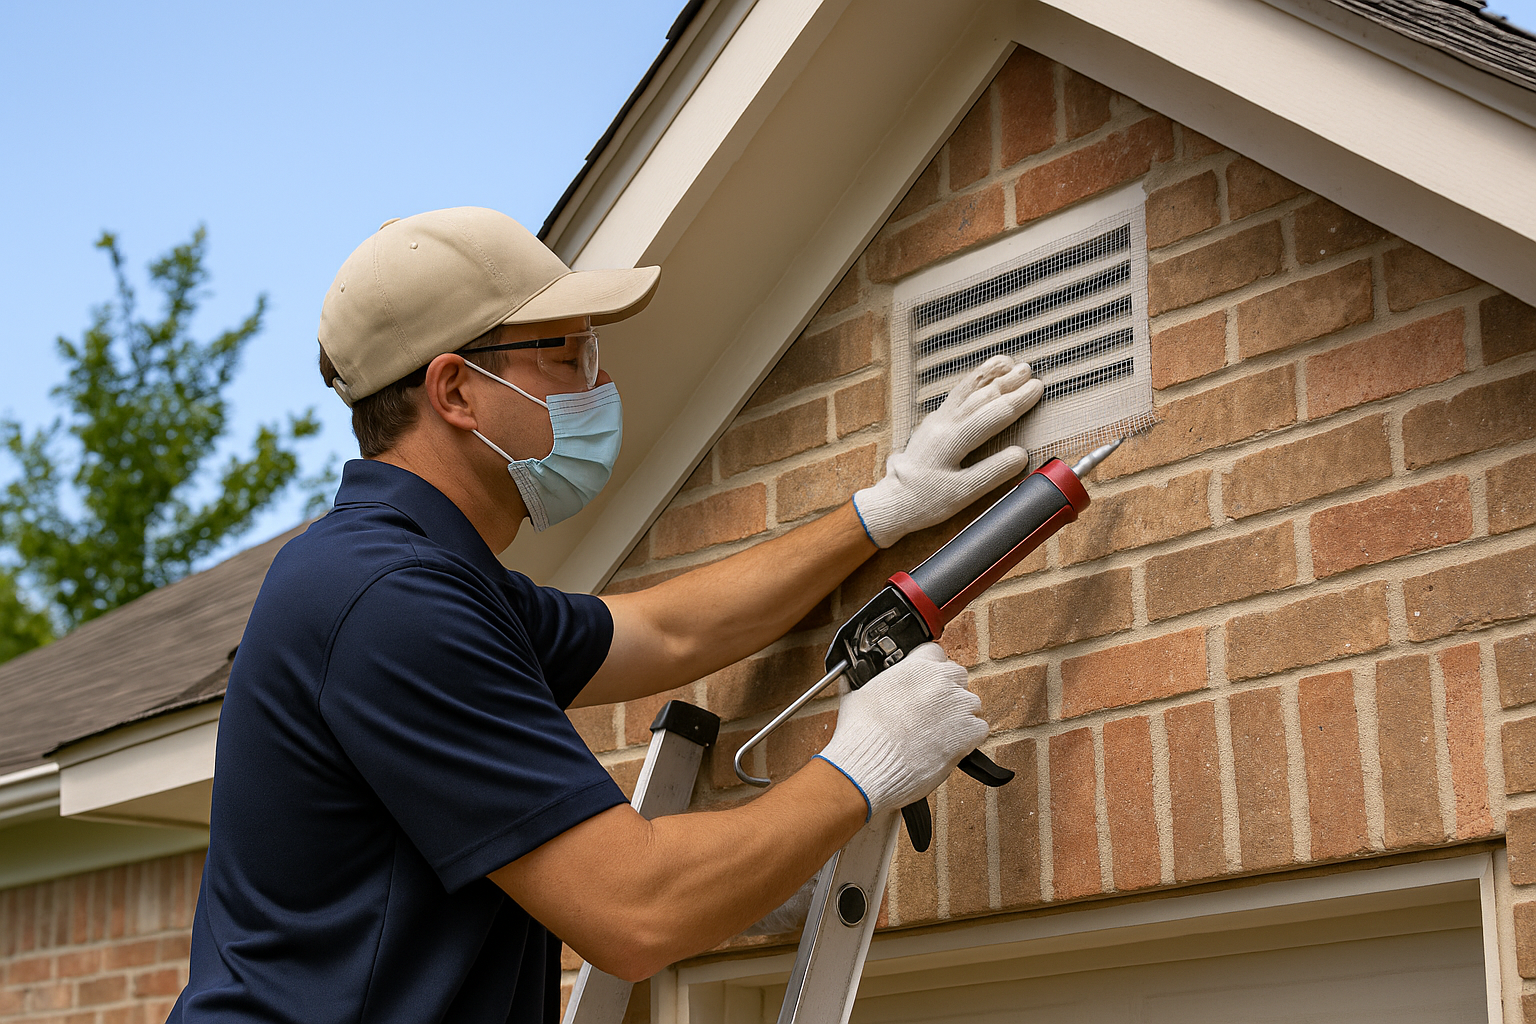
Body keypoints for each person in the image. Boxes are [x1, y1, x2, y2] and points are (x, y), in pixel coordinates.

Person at [170, 207, 1045, 1023]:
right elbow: (636, 909)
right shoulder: (389, 603)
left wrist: (884, 511)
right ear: (457, 391)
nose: (602, 384)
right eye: (568, 357)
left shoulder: (422, 580)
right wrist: (863, 765)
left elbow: (670, 632)